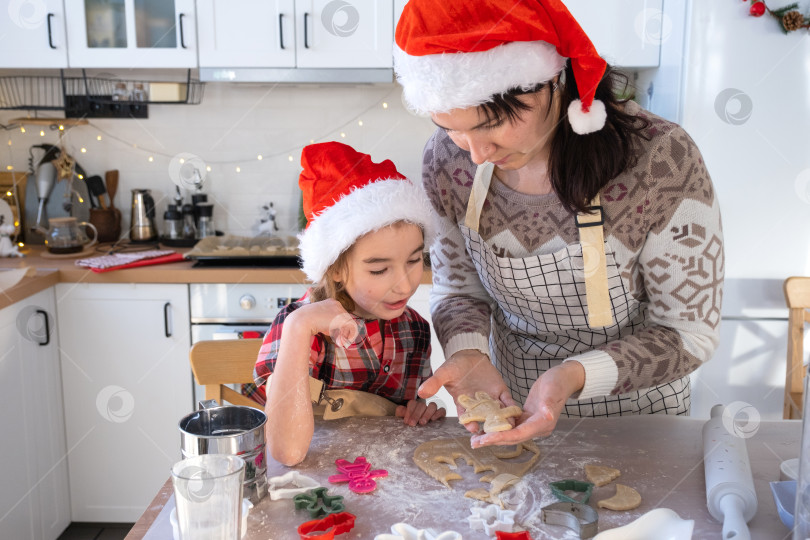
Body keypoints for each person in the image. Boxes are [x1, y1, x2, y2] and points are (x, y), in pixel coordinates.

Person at [393, 0, 724, 448]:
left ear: (552, 80)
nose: (475, 153)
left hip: (642, 421)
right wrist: (468, 353)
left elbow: (690, 332)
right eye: (451, 127)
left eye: (492, 124)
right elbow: (458, 288)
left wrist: (570, 377)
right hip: (514, 410)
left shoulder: (659, 158)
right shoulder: (447, 160)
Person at [250, 141, 445, 466]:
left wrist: (416, 415)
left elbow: (396, 434)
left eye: (414, 260)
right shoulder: (299, 327)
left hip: (380, 482)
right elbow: (286, 452)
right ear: (336, 269)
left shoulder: (415, 331)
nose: (405, 283)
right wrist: (299, 328)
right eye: (379, 269)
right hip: (306, 488)